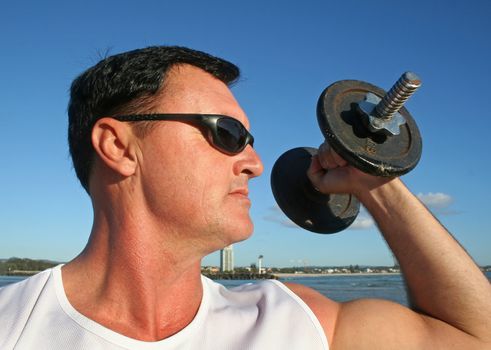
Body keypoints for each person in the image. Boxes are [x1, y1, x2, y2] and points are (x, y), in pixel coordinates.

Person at [0, 46, 490, 350]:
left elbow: (476, 339)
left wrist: (375, 182)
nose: (255, 163)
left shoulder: (297, 323)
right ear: (118, 146)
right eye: (228, 133)